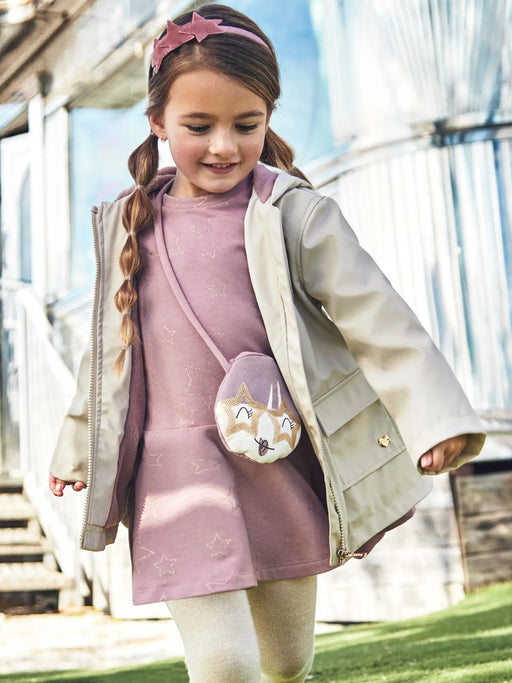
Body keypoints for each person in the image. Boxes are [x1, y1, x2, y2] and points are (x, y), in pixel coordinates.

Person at [48, 4, 485, 682]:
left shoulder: (293, 216)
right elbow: (109, 352)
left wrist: (437, 415)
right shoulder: (129, 226)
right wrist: (79, 441)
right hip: (173, 476)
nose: (223, 144)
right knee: (224, 663)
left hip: (272, 461)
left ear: (268, 119)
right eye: (199, 126)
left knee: (285, 664)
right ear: (158, 122)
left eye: (245, 125)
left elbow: (377, 316)